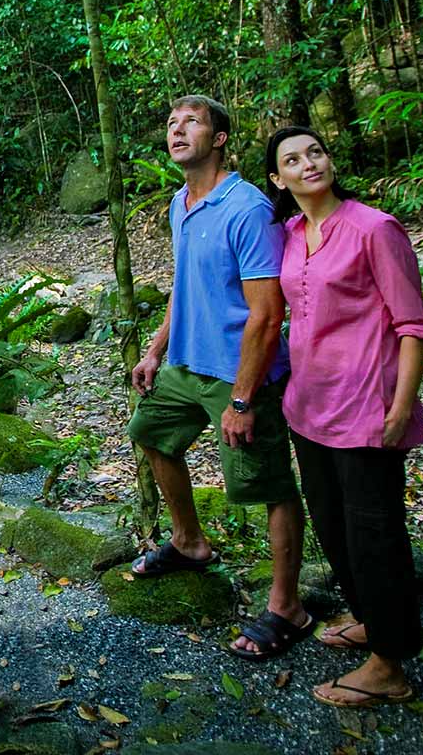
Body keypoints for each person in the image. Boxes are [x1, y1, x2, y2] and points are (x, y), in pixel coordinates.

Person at [126, 96, 311, 661]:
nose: (178, 131)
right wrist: (158, 348)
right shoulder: (182, 202)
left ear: (221, 138)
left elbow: (267, 313)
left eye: (192, 122)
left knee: (269, 485)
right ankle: (189, 542)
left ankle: (287, 608)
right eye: (171, 124)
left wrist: (242, 397)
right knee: (151, 433)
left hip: (240, 374)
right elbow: (186, 284)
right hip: (186, 362)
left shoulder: (247, 207)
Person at [262, 125, 423, 707]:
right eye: (293, 158)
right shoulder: (288, 233)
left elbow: (412, 325)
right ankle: (371, 619)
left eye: (316, 151)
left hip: (367, 408)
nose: (309, 162)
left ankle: (390, 665)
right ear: (278, 178)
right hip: (308, 407)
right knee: (333, 528)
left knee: (374, 536)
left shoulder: (374, 228)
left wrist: (401, 406)